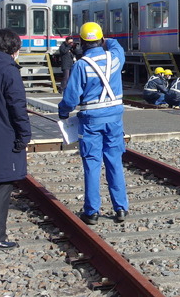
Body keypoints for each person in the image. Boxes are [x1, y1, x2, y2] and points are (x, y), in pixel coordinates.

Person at [58, 22, 129, 225]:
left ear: (81, 42)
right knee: (114, 161)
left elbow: (71, 98)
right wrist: (108, 40)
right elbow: (117, 47)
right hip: (114, 119)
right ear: (101, 39)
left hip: (91, 121)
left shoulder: (81, 65)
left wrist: (63, 112)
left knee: (92, 163)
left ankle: (92, 212)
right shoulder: (114, 57)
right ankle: (121, 208)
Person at [0, 29, 31, 250]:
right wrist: (24, 135)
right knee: (2, 184)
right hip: (3, 134)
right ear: (13, 50)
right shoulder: (9, 71)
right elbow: (18, 107)